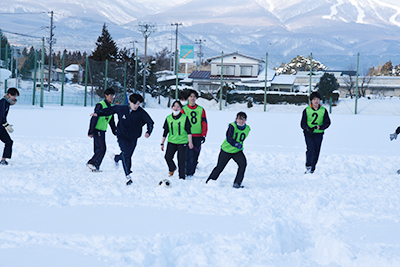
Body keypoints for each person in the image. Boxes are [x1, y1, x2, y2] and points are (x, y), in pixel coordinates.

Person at [93, 93, 154, 185]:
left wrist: (148, 131)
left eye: (138, 104)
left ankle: (116, 158)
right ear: (129, 102)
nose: (136, 106)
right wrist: (98, 113)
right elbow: (110, 110)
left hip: (133, 137)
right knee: (126, 154)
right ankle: (128, 175)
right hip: (122, 136)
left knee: (128, 154)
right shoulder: (122, 109)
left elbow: (150, 122)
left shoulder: (141, 112)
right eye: (135, 104)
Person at [206, 112, 250, 188]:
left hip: (237, 151)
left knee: (243, 164)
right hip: (226, 150)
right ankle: (210, 181)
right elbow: (229, 138)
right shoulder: (232, 126)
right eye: (239, 119)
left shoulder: (248, 128)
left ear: (245, 120)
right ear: (236, 119)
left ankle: (237, 183)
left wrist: (239, 146)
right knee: (220, 167)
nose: (241, 121)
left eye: (243, 119)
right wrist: (236, 144)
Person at [161, 100, 194, 179]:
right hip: (172, 141)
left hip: (182, 142)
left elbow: (189, 131)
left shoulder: (185, 118)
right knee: (167, 157)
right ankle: (172, 168)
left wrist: (190, 142)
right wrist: (162, 143)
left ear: (180, 108)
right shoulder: (168, 118)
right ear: (172, 107)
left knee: (181, 160)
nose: (176, 108)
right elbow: (165, 131)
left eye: (178, 106)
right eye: (174, 106)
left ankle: (182, 177)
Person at [86, 88, 117, 172]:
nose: (112, 97)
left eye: (113, 95)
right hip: (97, 130)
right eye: (110, 95)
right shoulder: (100, 105)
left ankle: (95, 166)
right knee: (102, 148)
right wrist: (90, 131)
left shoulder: (111, 107)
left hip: (102, 130)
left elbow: (111, 121)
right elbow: (94, 118)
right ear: (106, 96)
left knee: (99, 148)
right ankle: (92, 162)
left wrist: (116, 132)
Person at [300, 91, 331, 174]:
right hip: (309, 133)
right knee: (310, 148)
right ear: (311, 101)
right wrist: (307, 128)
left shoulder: (323, 110)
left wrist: (320, 127)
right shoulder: (306, 110)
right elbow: (302, 123)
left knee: (316, 150)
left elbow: (327, 122)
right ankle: (308, 166)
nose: (316, 101)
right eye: (314, 99)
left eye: (317, 99)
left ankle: (313, 168)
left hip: (319, 133)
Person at [181, 89, 207, 176]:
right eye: (190, 96)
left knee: (196, 153)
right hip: (187, 135)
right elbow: (181, 123)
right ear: (188, 98)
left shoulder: (201, 109)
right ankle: (188, 171)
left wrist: (203, 134)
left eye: (194, 97)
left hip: (198, 135)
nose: (192, 98)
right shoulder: (184, 109)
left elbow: (204, 122)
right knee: (188, 153)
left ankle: (193, 167)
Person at [0, 87, 19, 166]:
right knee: (8, 142)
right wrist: (5, 124)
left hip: (1, 126)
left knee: (9, 142)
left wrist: (5, 123)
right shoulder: (3, 102)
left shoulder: (7, 103)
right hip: (0, 126)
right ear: (8, 94)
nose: (14, 98)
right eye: (13, 96)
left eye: (16, 96)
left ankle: (3, 160)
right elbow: (1, 115)